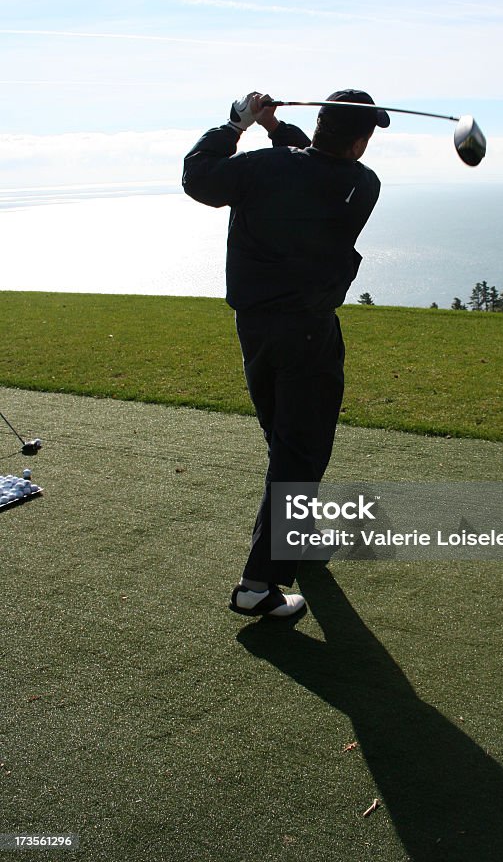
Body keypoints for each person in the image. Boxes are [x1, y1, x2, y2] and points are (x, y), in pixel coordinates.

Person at [182, 90, 388, 618]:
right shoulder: (362, 185)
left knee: (285, 441)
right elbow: (308, 166)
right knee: (298, 455)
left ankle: (300, 537)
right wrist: (271, 129)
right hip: (310, 335)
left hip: (254, 331)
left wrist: (238, 124)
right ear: (360, 143)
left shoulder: (265, 168)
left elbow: (199, 175)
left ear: (318, 128)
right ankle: (258, 585)